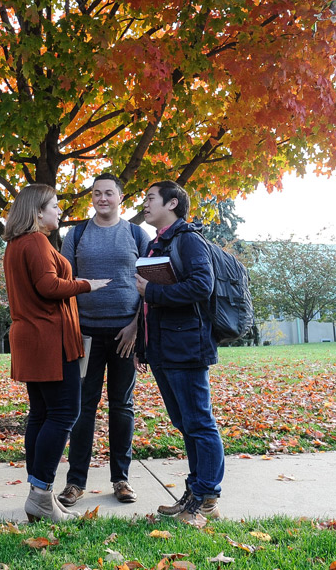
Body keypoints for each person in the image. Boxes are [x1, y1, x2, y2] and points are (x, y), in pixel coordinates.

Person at [3, 184, 110, 523]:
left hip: (32, 339)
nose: (59, 211)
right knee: (64, 413)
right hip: (48, 339)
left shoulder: (16, 244)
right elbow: (49, 287)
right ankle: (40, 493)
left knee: (41, 414)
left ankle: (41, 495)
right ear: (37, 211)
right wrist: (86, 284)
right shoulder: (35, 242)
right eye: (54, 205)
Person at [134, 181, 224, 524]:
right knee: (186, 423)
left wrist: (152, 290)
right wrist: (144, 347)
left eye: (150, 198)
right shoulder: (159, 243)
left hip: (187, 346)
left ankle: (206, 499)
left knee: (200, 423)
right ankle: (195, 491)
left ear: (172, 203)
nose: (144, 203)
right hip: (163, 348)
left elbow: (203, 285)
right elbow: (147, 302)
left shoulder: (188, 239)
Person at [58, 173, 147, 507]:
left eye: (109, 193)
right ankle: (75, 482)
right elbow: (64, 284)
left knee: (122, 407)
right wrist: (73, 329)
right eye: (97, 193)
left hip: (125, 334)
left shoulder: (138, 234)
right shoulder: (76, 234)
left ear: (121, 198)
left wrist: (135, 328)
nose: (102, 198)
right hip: (86, 335)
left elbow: (147, 289)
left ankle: (121, 479)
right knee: (83, 407)